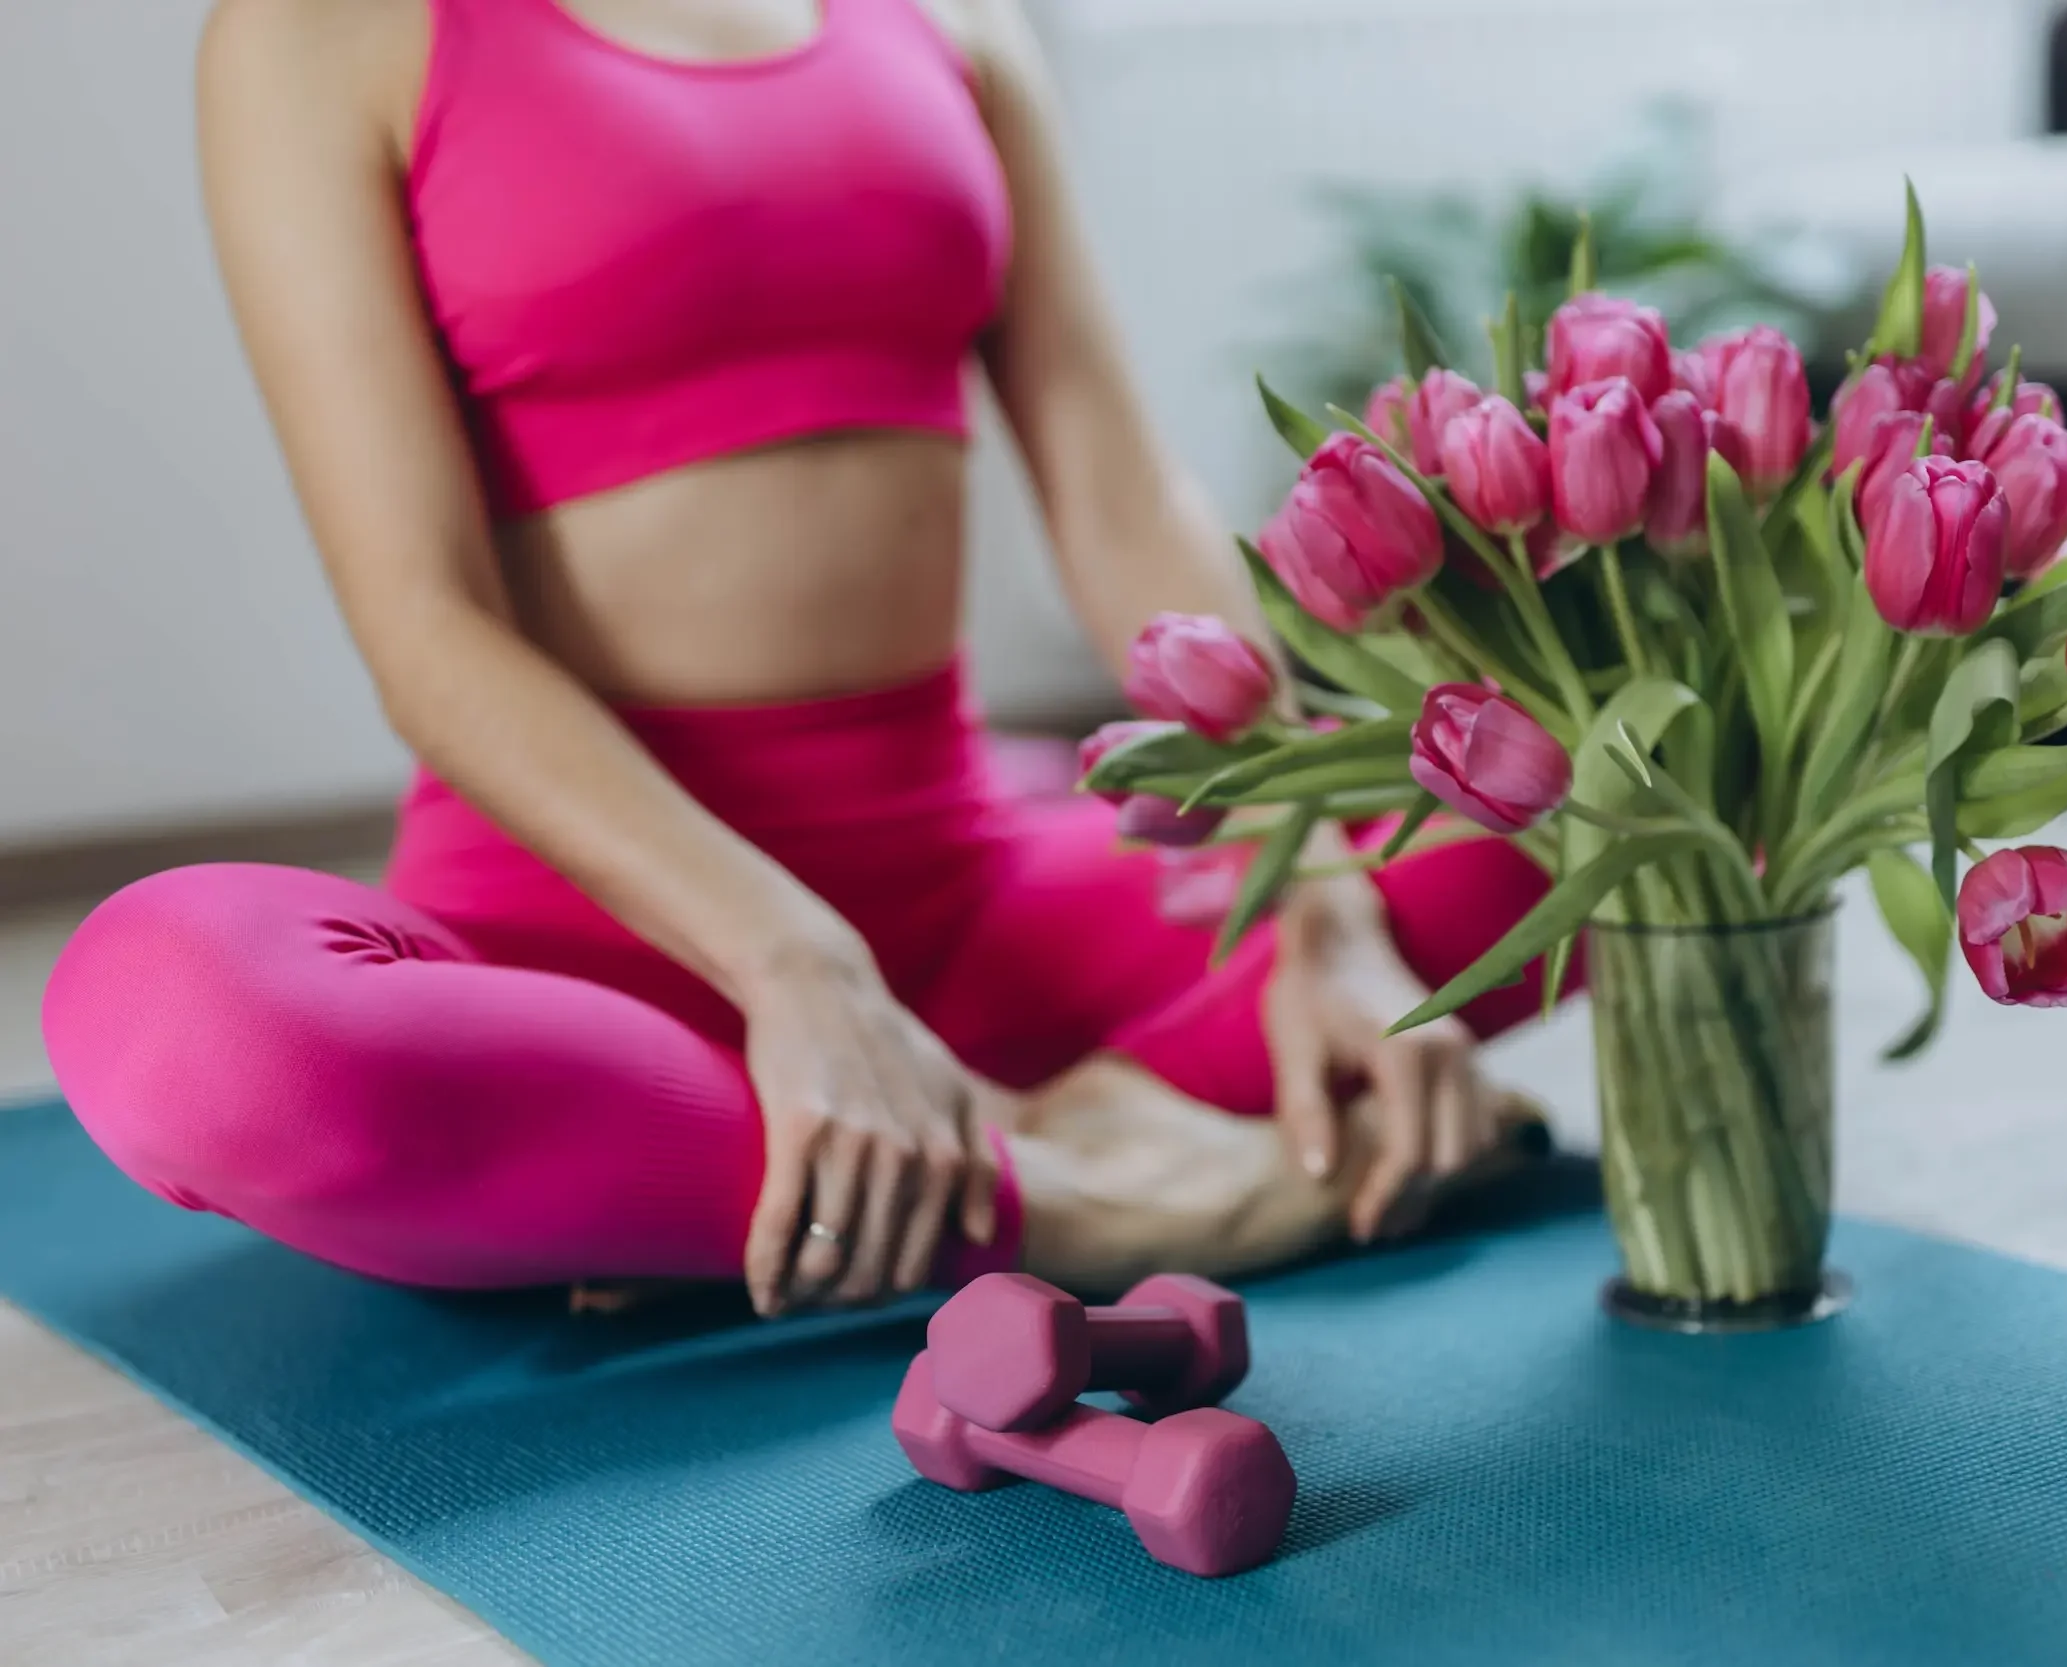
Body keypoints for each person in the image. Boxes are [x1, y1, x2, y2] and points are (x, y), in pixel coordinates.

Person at [41, 0, 1569, 1313]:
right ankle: (1066, 1191)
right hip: (584, 960)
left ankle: (790, 1166)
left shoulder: (952, 22)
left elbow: (1119, 503)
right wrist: (794, 960)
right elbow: (424, 623)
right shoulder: (321, 34)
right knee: (179, 1021)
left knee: (1604, 821)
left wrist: (1308, 893)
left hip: (968, 913)